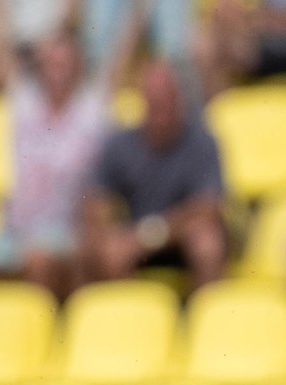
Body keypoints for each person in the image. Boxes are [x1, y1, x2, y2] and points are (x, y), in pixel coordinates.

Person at [0, 6, 123, 297]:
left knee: (38, 262)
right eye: (52, 62)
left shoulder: (92, 112)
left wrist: (136, 14)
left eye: (65, 62)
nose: (58, 70)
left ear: (78, 66)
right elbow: (1, 57)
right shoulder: (25, 104)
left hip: (67, 232)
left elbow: (120, 58)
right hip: (17, 231)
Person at [81, 59, 227, 292]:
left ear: (179, 100)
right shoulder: (119, 145)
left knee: (207, 243)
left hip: (177, 240)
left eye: (167, 99)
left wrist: (147, 236)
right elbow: (96, 201)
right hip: (136, 242)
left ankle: (205, 320)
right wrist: (108, 231)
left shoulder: (202, 142)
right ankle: (129, 322)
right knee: (107, 249)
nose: (162, 110)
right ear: (144, 101)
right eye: (155, 101)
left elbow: (208, 209)